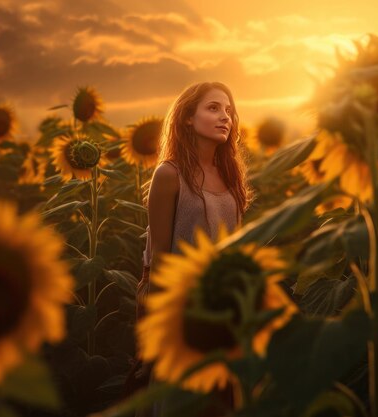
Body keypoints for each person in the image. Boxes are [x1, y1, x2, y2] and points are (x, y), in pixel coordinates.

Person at [133, 81, 251, 416]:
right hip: (184, 312)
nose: (224, 117)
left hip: (225, 309)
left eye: (228, 110)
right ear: (187, 117)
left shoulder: (230, 176)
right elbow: (159, 257)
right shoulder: (169, 175)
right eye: (213, 108)